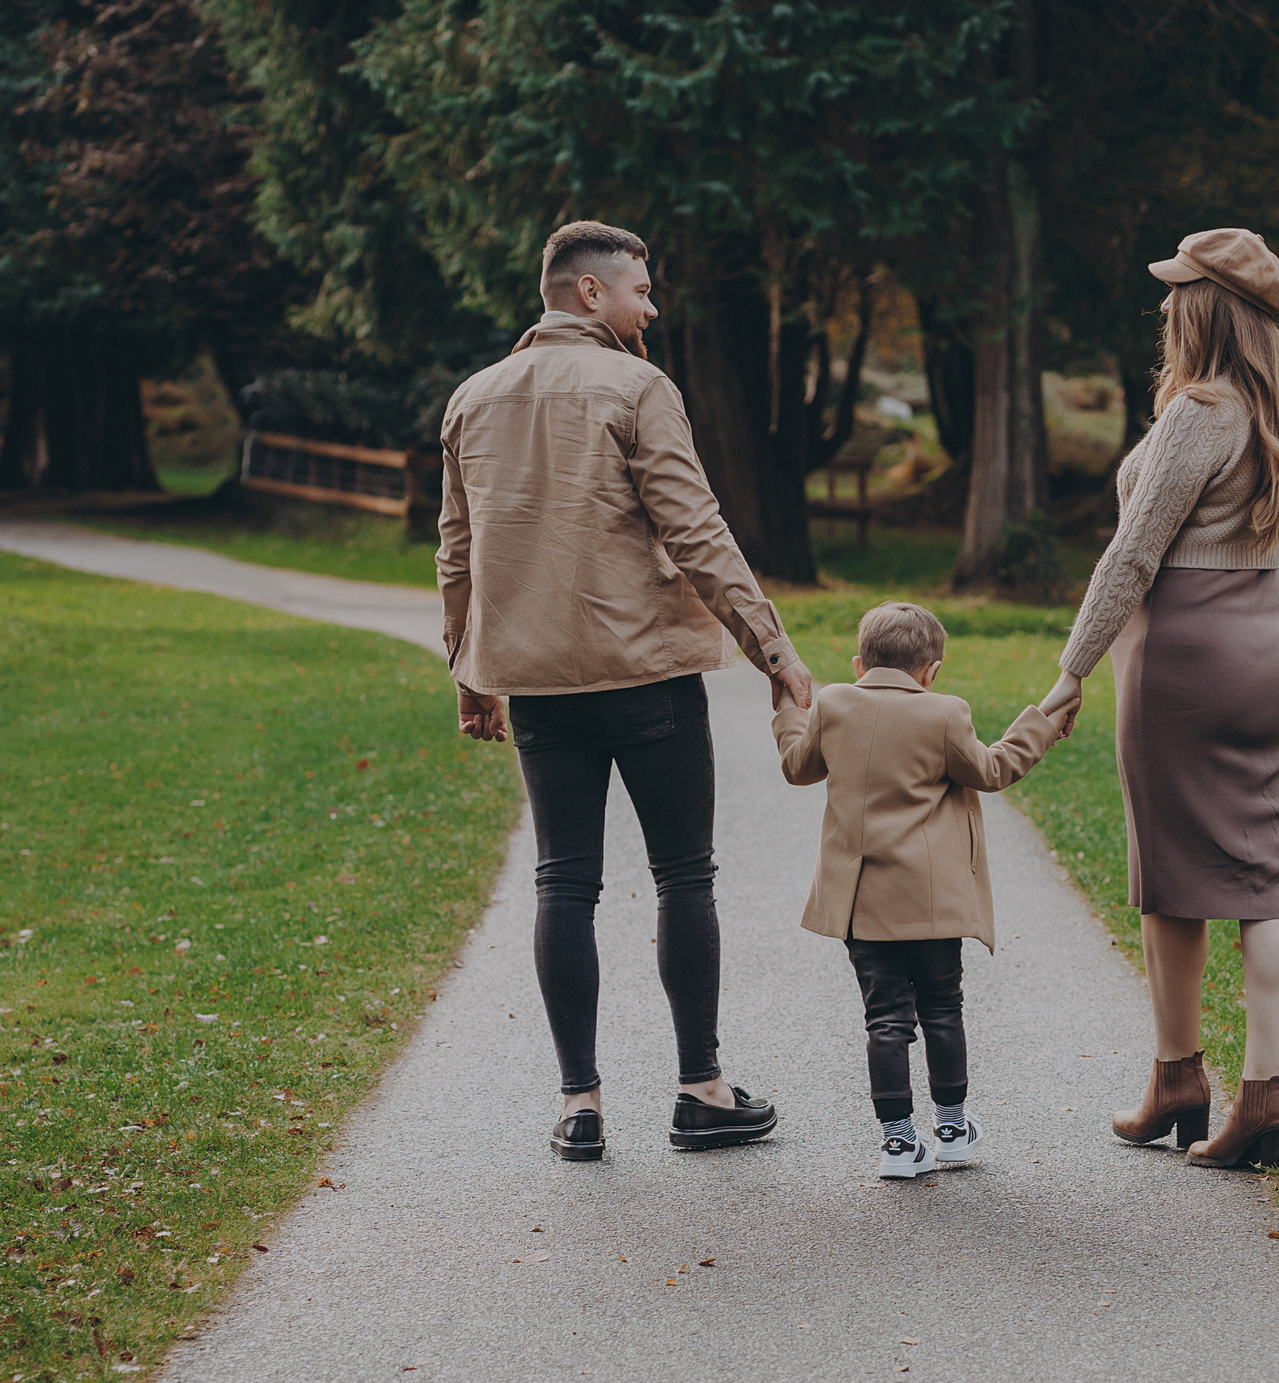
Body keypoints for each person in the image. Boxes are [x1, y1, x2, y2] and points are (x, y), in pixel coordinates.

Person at [438, 219, 817, 1163]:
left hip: (536, 688)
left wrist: (468, 671)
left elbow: (457, 552)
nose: (654, 307)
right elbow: (697, 529)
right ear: (588, 294)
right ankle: (701, 1090)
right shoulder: (638, 387)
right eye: (641, 290)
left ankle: (580, 1105)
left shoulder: (473, 399)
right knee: (684, 873)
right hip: (646, 674)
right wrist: (774, 649)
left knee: (563, 880)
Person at [1038, 228, 1279, 1170]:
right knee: (1262, 882)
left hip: (1184, 660)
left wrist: (1072, 668)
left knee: (1173, 879)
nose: (1162, 308)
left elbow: (1133, 553)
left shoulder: (1201, 411)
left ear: (1203, 308)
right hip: (1264, 652)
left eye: (1175, 295)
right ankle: (1266, 1095)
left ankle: (1177, 1074)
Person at [774, 602, 1065, 1178]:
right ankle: (952, 1126)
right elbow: (992, 771)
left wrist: (786, 707)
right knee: (942, 1008)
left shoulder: (833, 705)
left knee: (884, 1020)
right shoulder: (945, 714)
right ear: (931, 671)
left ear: (860, 663)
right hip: (932, 904)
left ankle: (898, 1143)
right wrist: (1046, 720)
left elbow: (797, 766)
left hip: (863, 903)